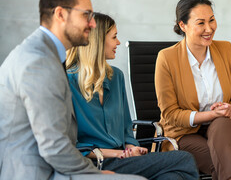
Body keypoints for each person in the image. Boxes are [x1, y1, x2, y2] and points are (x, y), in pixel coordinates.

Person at [0, 0, 144, 179]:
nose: (92, 24)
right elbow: (54, 147)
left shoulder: (46, 55)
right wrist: (95, 173)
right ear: (60, 14)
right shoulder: (38, 63)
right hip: (38, 172)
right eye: (86, 15)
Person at [66, 13, 199, 180]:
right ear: (97, 42)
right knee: (184, 158)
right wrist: (118, 153)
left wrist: (131, 148)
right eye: (114, 37)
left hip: (122, 160)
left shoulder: (116, 77)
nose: (118, 42)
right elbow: (69, 145)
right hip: (94, 163)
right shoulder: (66, 82)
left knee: (173, 177)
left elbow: (126, 129)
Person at [155, 0, 231, 180]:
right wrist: (210, 114)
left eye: (212, 20)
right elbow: (170, 114)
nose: (209, 28)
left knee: (222, 126)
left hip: (222, 132)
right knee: (224, 162)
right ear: (183, 25)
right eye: (201, 23)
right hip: (183, 136)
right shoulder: (167, 58)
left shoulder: (226, 50)